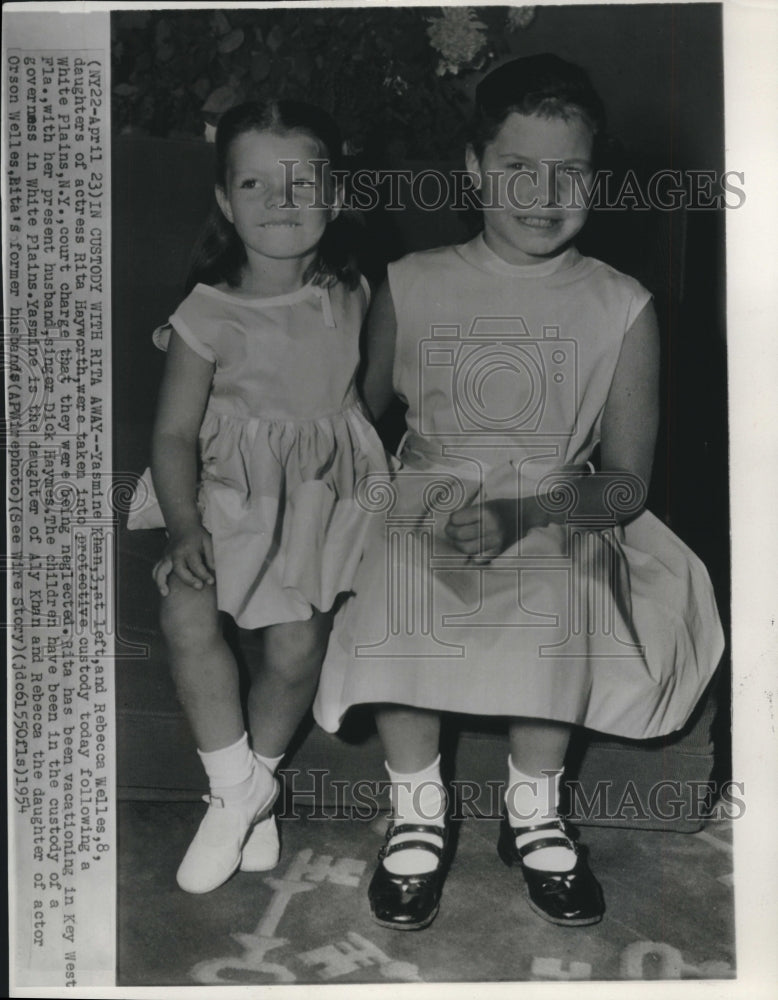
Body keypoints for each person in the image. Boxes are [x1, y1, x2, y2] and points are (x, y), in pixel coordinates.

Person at [313, 54, 725, 930]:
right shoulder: (413, 280)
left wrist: (525, 513)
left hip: (560, 500)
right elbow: (356, 416)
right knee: (399, 573)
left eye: (569, 171)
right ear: (473, 169)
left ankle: (534, 810)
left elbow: (625, 486)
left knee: (566, 583)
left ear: (596, 177)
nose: (543, 192)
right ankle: (419, 809)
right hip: (428, 485)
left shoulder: (623, 305)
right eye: (516, 168)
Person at [129, 100, 387, 894]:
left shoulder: (355, 289)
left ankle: (251, 789)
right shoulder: (206, 313)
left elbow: (367, 401)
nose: (280, 201)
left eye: (302, 182)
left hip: (312, 498)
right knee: (184, 610)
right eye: (254, 182)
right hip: (226, 494)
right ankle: (238, 793)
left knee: (296, 647)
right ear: (224, 202)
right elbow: (173, 435)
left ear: (336, 194)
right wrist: (182, 526)